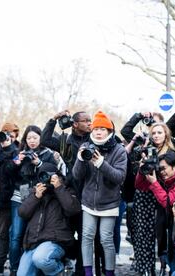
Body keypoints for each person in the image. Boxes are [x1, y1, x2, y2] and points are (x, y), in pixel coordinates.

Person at [73, 111, 127, 276]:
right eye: (96, 128)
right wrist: (80, 159)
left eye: (103, 129)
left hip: (109, 202)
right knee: (87, 237)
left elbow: (119, 177)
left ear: (110, 131)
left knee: (106, 239)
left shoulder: (118, 150)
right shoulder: (86, 147)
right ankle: (89, 273)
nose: (98, 132)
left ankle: (109, 273)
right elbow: (77, 175)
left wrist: (101, 163)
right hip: (89, 202)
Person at [41, 110, 91, 275]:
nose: (89, 123)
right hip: (68, 196)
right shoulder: (64, 141)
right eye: (85, 121)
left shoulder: (94, 140)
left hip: (88, 197)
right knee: (65, 235)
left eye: (90, 120)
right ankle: (60, 267)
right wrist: (53, 119)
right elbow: (45, 139)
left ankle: (80, 271)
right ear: (75, 124)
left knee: (85, 237)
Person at [131, 122, 175, 275]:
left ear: (166, 134)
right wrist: (142, 165)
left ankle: (166, 267)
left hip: (163, 197)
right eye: (154, 133)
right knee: (143, 236)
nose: (156, 135)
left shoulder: (172, 151)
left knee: (163, 237)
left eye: (160, 132)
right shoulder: (146, 151)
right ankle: (146, 270)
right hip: (144, 197)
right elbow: (138, 183)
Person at [8, 125, 57, 275]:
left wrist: (39, 164)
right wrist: (16, 163)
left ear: (40, 138)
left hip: (39, 199)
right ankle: (14, 268)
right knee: (16, 235)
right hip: (19, 198)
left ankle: (34, 268)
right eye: (29, 138)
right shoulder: (19, 153)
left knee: (36, 235)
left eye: (35, 138)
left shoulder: (47, 154)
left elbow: (54, 173)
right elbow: (7, 174)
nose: (32, 141)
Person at [17, 162, 81, 276]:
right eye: (42, 176)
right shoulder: (37, 192)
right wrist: (36, 197)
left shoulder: (66, 190)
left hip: (56, 241)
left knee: (41, 259)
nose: (45, 179)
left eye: (48, 176)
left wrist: (59, 188)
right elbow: (22, 213)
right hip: (33, 243)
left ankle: (63, 272)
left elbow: (73, 209)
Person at [135, 151, 175, 273]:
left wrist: (154, 183)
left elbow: (168, 202)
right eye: (159, 169)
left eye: (164, 168)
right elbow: (140, 186)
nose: (161, 172)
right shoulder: (163, 177)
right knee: (170, 259)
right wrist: (142, 171)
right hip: (166, 227)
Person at [0, 122, 20, 274]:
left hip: (12, 197)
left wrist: (8, 147)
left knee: (14, 233)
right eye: (6, 135)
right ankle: (0, 263)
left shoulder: (17, 150)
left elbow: (9, 170)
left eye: (12, 136)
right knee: (2, 233)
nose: (9, 138)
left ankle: (11, 262)